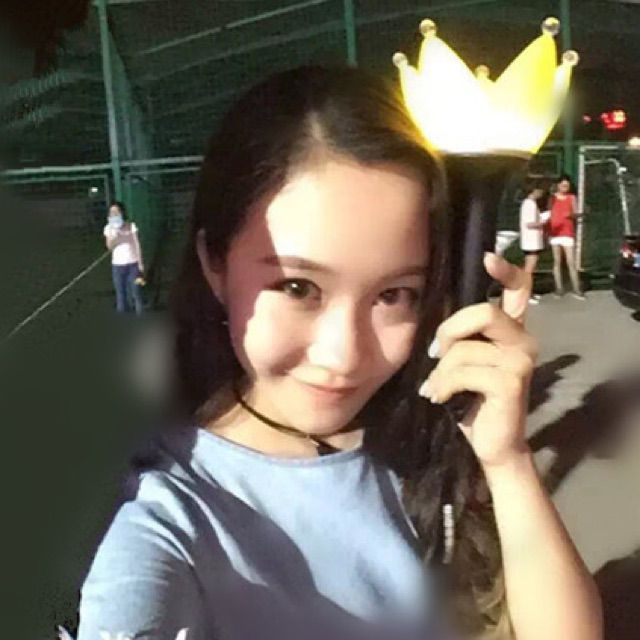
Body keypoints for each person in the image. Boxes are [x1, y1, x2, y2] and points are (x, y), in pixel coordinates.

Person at [76, 67, 602, 640]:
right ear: (215, 263)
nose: (345, 354)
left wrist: (507, 459)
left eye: (394, 294)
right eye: (297, 287)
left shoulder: (421, 438)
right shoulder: (170, 512)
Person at [104, 201, 145, 316]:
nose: (114, 215)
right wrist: (114, 237)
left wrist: (140, 263)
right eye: (112, 213)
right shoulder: (108, 228)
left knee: (136, 291)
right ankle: (123, 319)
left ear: (122, 213)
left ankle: (141, 317)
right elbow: (109, 247)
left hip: (133, 265)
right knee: (120, 295)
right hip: (117, 267)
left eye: (117, 212)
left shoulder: (131, 226)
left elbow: (137, 244)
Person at [548, 175, 585, 300]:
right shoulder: (552, 198)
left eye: (567, 185)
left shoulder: (571, 197)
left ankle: (576, 289)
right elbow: (548, 213)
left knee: (571, 262)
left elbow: (576, 213)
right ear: (558, 185)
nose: (565, 187)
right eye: (563, 185)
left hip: (567, 233)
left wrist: (571, 214)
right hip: (554, 233)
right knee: (557, 261)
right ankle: (559, 289)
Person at [519, 180, 547, 305]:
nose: (541, 193)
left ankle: (527, 292)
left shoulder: (529, 203)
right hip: (531, 241)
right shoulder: (529, 204)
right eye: (540, 190)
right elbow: (530, 224)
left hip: (531, 240)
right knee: (529, 270)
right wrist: (543, 222)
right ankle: (525, 294)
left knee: (528, 269)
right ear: (534, 191)